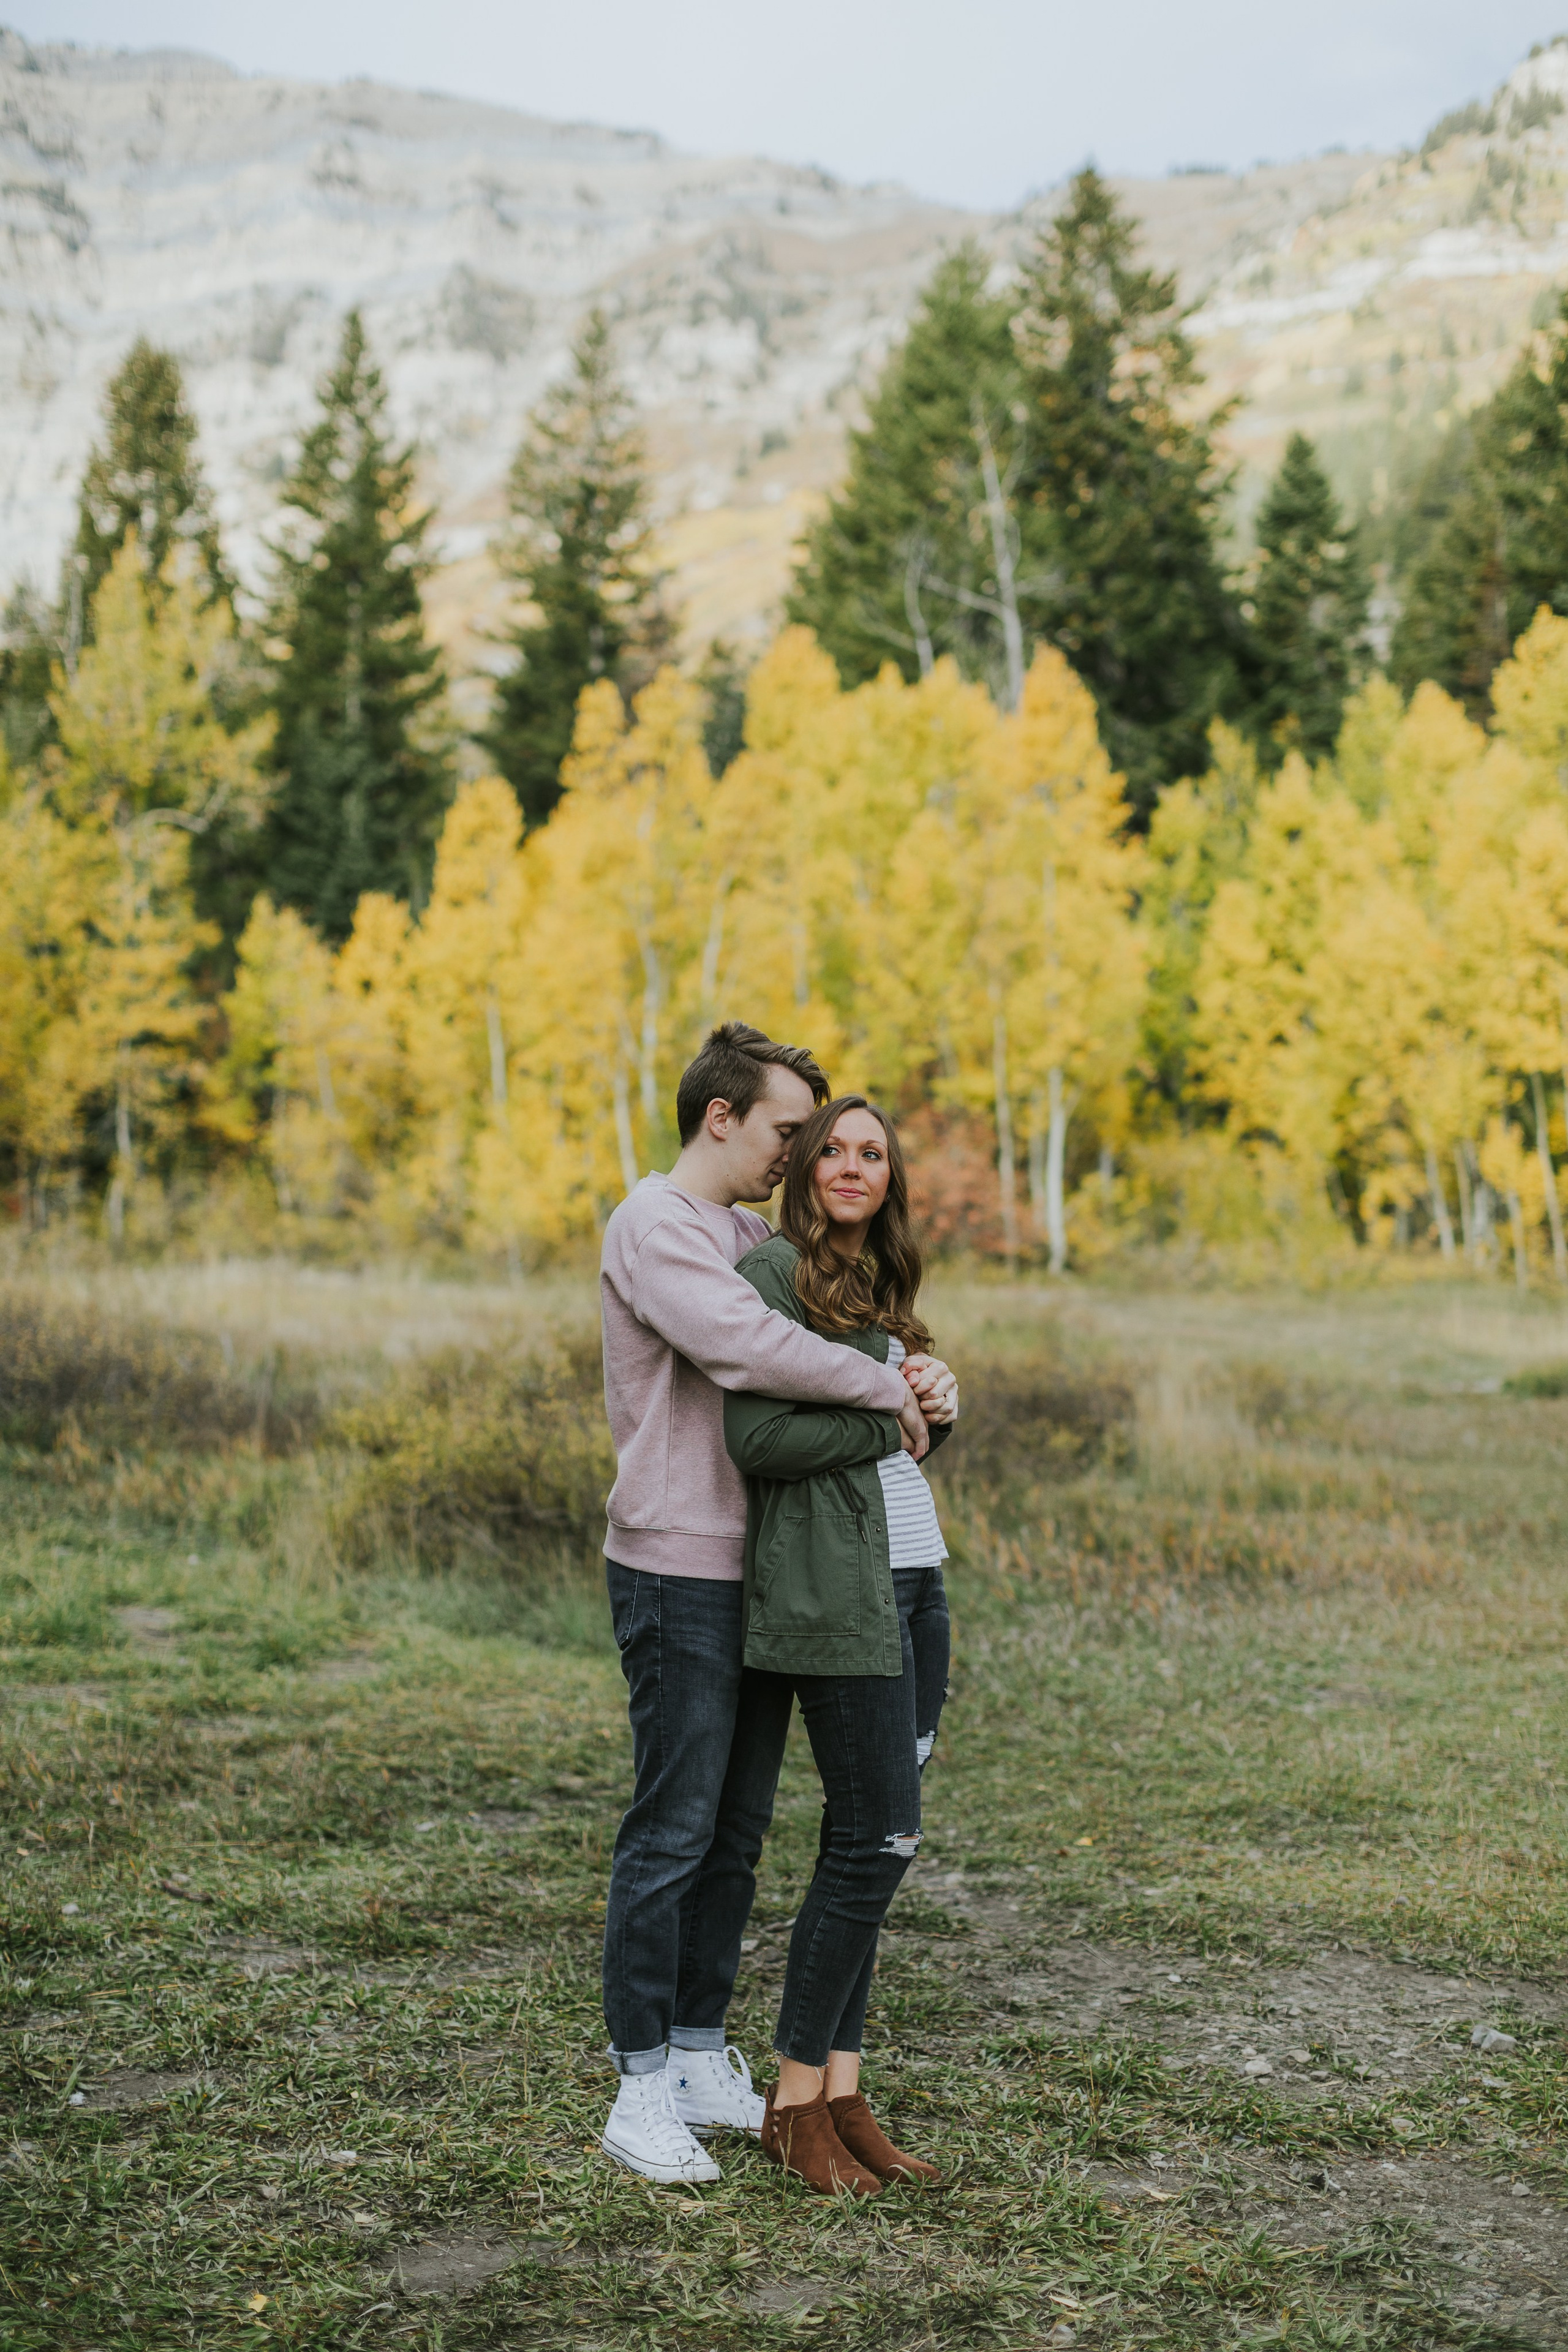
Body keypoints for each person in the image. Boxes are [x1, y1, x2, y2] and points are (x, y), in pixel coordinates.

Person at [597, 1025, 958, 2185]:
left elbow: (820, 1314)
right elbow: (751, 1351)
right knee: (672, 1830)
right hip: (674, 1562)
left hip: (750, 1568)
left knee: (738, 1829)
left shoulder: (752, 1231)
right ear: (722, 1117)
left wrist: (923, 1384)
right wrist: (885, 1388)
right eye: (787, 1130)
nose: (796, 1153)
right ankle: (640, 2086)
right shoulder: (655, 1226)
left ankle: (701, 2051)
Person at [724, 1094, 957, 2196]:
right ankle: (790, 2103)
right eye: (835, 1151)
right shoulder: (773, 1277)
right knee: (873, 1840)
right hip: (835, 1598)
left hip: (916, 1585)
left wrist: (933, 1415)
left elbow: (888, 1461)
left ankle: (843, 2093)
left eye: (875, 1153)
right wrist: (889, 1413)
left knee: (881, 1845)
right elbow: (760, 1437)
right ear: (805, 1166)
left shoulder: (882, 1290)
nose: (854, 1167)